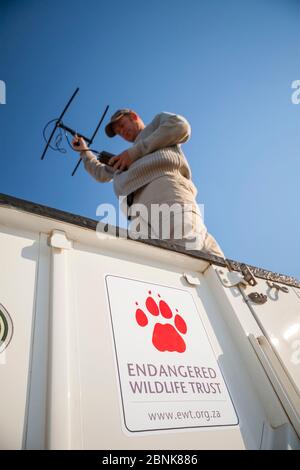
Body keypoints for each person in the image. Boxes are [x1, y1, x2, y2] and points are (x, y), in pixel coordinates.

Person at [71, 109, 224, 257]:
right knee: (159, 263)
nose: (121, 132)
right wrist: (84, 152)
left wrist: (134, 153)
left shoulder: (155, 127)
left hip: (163, 188)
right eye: (118, 132)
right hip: (137, 213)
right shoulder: (124, 160)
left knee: (186, 248)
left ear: (133, 116)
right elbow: (101, 174)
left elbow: (181, 126)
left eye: (122, 125)